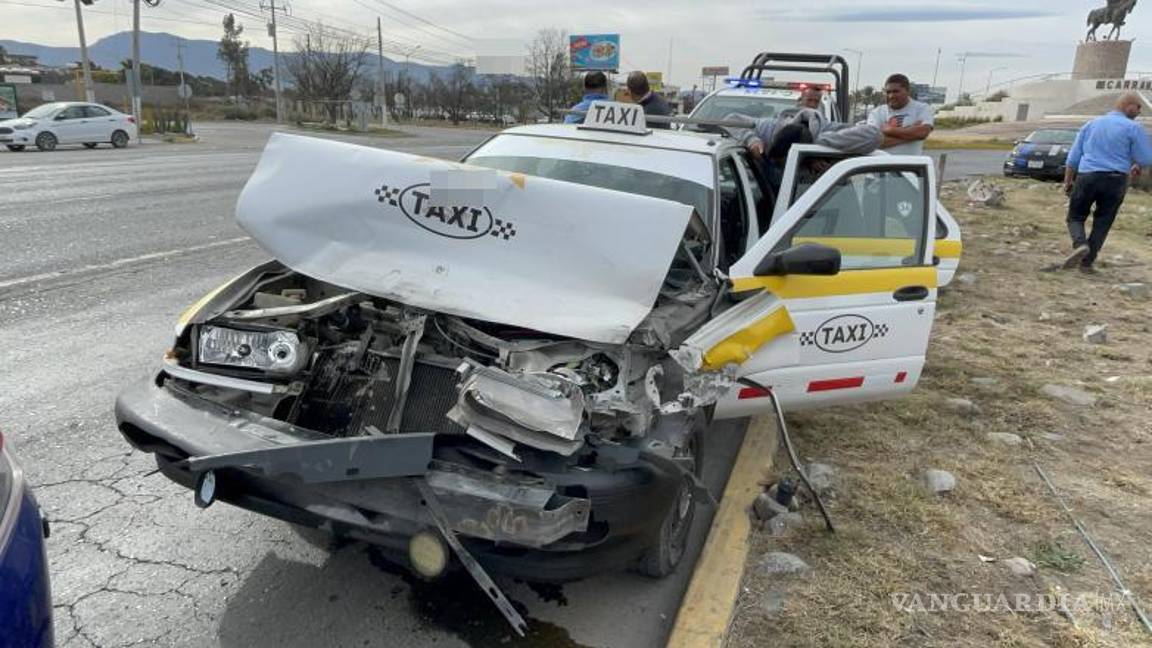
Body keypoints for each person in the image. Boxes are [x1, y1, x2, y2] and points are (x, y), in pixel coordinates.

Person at [1058, 92, 1152, 273]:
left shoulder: (1091, 124)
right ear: (1127, 106)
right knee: (1103, 221)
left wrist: (1068, 181)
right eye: (1138, 107)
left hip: (1088, 177)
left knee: (1075, 216)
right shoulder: (1134, 128)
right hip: (1116, 180)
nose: (1140, 111)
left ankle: (1080, 244)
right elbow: (1146, 158)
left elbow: (1073, 157)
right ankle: (1087, 264)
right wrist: (1136, 164)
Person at [867, 73, 934, 155]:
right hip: (882, 166)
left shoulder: (922, 108)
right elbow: (872, 142)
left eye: (896, 91)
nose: (891, 96)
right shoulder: (877, 112)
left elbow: (922, 133)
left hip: (911, 166)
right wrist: (911, 134)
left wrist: (889, 130)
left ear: (907, 91)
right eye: (888, 92)